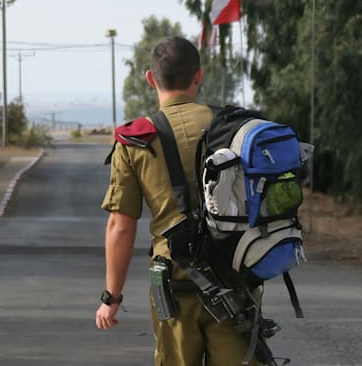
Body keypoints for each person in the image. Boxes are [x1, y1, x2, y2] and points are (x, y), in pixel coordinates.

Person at [95, 36, 258, 365]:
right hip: (236, 281)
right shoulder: (234, 128)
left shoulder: (136, 139)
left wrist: (111, 297)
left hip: (175, 283)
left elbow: (121, 226)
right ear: (198, 76)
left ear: (151, 78)